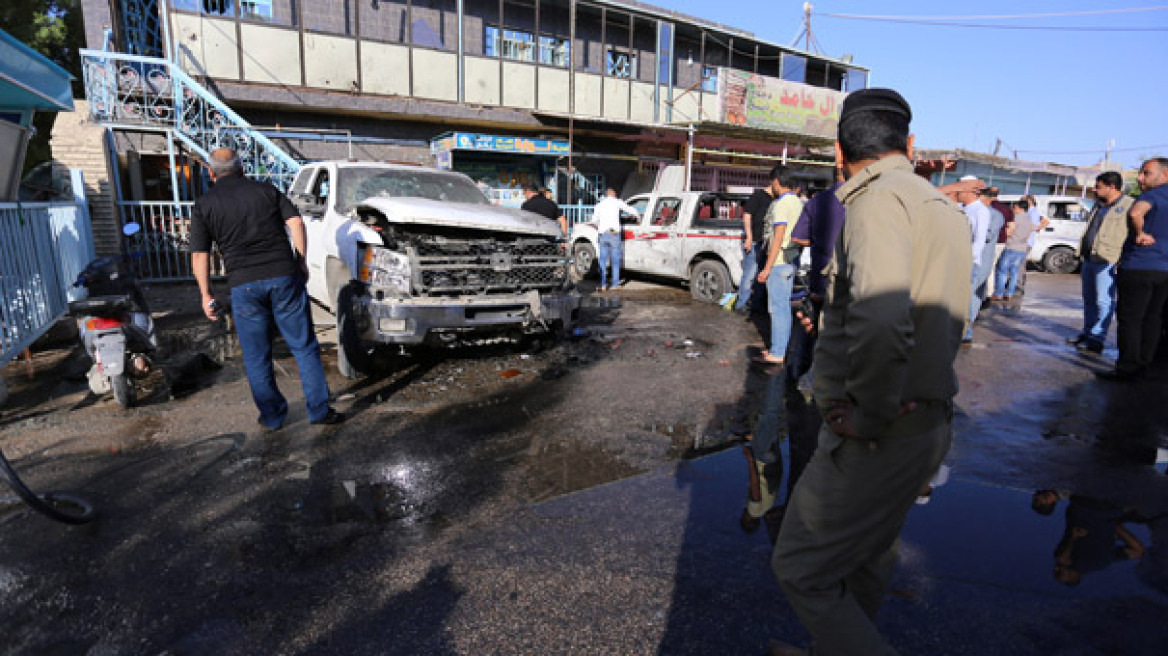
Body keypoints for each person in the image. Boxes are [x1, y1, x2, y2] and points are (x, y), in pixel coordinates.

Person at [768, 88, 970, 656]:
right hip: (924, 422)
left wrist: (871, 414)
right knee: (867, 556)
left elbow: (883, 322)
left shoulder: (878, 204)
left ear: (839, 152)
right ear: (909, 144)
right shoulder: (941, 206)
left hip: (878, 432)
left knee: (800, 567)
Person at [190, 148, 343, 429]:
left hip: (244, 285)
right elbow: (295, 221)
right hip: (283, 275)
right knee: (304, 346)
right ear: (242, 169)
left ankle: (273, 417)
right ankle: (319, 411)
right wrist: (301, 260)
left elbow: (200, 254)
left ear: (211, 174)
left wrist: (205, 294)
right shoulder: (265, 190)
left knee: (257, 354)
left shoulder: (205, 204)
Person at [1099, 158, 1168, 381]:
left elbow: (1135, 212)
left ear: (1164, 175)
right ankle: (1144, 364)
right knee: (1153, 318)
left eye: (1146, 173)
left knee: (1131, 319)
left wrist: (1139, 233)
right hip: (1164, 270)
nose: (1140, 178)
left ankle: (1128, 367)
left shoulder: (1152, 195)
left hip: (1140, 266)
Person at [1068, 172, 1135, 353]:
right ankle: (1087, 332)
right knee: (1089, 299)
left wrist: (1123, 259)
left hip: (1108, 260)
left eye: (1098, 186)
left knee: (1103, 301)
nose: (1094, 189)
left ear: (1111, 186)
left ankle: (1097, 338)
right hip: (1089, 257)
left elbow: (1132, 234)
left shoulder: (1129, 206)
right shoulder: (1099, 205)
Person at [755, 166, 804, 365]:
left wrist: (767, 268)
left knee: (778, 309)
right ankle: (780, 347)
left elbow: (778, 236)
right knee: (784, 307)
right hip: (791, 258)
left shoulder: (782, 204)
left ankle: (777, 352)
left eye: (771, 182)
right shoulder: (797, 202)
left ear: (776, 181)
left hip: (780, 261)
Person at [735, 172, 781, 313]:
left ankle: (757, 305)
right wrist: (749, 237)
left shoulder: (779, 199)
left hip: (769, 244)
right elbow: (747, 215)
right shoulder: (758, 196)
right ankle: (741, 304)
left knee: (763, 275)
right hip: (756, 241)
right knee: (749, 274)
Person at [956, 177, 992, 343]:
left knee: (966, 298)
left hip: (969, 261)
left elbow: (979, 240)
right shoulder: (963, 208)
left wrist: (967, 259)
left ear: (971, 191)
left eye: (960, 189)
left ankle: (966, 332)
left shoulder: (980, 211)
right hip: (958, 259)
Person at [591, 187, 640, 292]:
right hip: (614, 234)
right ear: (614, 194)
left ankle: (603, 285)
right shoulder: (617, 202)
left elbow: (594, 221)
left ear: (606, 194)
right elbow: (631, 210)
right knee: (615, 261)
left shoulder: (599, 205)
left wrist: (600, 229)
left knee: (602, 260)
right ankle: (615, 284)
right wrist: (638, 217)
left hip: (603, 234)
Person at [991, 200, 1036, 301]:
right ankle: (1010, 293)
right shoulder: (1029, 219)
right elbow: (1032, 229)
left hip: (1011, 246)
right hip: (1022, 248)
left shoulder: (1015, 218)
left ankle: (998, 293)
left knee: (1002, 271)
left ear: (1020, 208)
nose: (1013, 209)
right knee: (1014, 272)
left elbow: (1009, 231)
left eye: (1014, 207)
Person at [985, 186, 1015, 298]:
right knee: (993, 266)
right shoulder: (1007, 208)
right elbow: (1011, 228)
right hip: (1001, 241)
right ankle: (990, 291)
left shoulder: (986, 206)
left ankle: (986, 292)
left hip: (988, 241)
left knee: (986, 266)